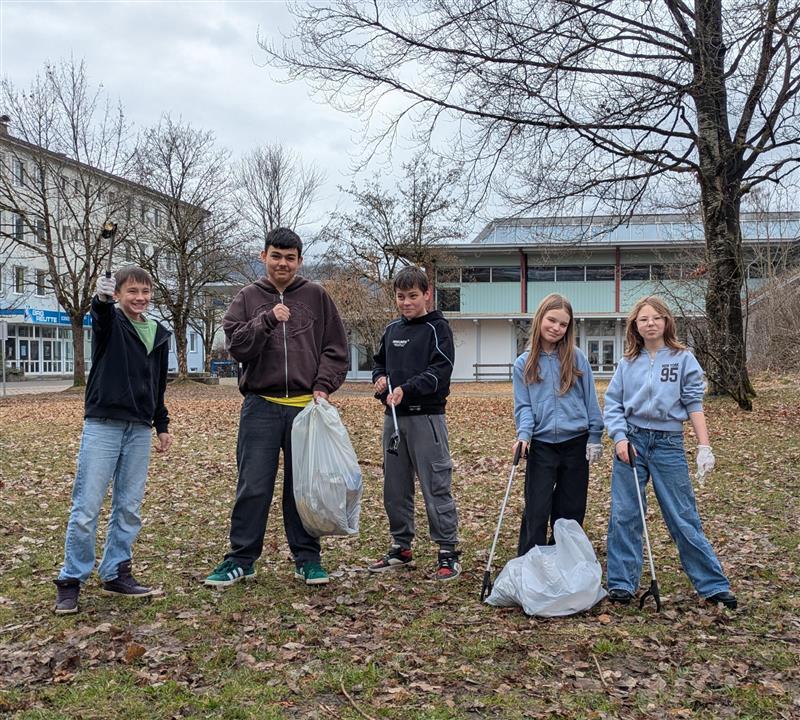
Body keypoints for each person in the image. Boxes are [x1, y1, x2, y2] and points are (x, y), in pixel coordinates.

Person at [205, 227, 349, 588]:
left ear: (299, 260)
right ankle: (241, 558)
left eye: (290, 257)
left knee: (302, 487)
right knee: (253, 484)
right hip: (261, 406)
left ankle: (307, 558)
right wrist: (267, 319)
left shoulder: (317, 296)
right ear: (263, 256)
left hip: (306, 407)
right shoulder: (247, 297)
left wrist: (322, 386)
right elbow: (236, 346)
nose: (282, 263)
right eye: (276, 256)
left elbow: (335, 349)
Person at [54, 266, 173, 614]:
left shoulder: (159, 333)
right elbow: (101, 316)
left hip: (139, 429)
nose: (140, 298)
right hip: (103, 425)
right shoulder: (111, 324)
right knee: (86, 508)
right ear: (119, 294)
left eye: (145, 291)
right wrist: (101, 299)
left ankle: (116, 572)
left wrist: (161, 424)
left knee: (129, 507)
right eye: (131, 291)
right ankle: (71, 579)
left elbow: (158, 385)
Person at [604, 296, 736, 609]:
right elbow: (613, 405)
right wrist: (620, 439)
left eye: (656, 318)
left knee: (682, 516)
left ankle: (713, 585)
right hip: (632, 443)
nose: (650, 324)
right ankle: (622, 584)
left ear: (666, 322)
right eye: (643, 319)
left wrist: (704, 445)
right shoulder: (627, 363)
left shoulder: (683, 358)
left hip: (668, 444)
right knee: (625, 514)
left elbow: (693, 403)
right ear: (635, 326)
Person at [368, 266, 461, 580]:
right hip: (393, 421)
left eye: (412, 296)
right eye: (400, 297)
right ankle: (401, 546)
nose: (406, 303)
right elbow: (379, 362)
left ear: (427, 294)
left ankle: (448, 551)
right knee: (395, 488)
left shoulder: (438, 329)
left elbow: (440, 371)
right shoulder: (392, 330)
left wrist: (407, 389)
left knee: (436, 485)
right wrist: (380, 379)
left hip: (427, 418)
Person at [512, 293, 604, 554]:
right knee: (537, 508)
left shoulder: (576, 358)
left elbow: (590, 400)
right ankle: (532, 562)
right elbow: (524, 407)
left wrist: (595, 436)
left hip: (575, 443)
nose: (556, 328)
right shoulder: (523, 363)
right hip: (541, 445)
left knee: (570, 509)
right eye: (551, 320)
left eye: (563, 324)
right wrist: (524, 435)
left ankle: (566, 559)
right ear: (540, 318)